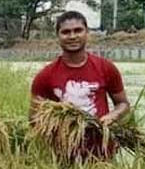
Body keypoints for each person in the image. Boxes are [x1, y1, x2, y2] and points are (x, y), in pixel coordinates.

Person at [30, 10, 130, 159]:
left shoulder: (105, 67)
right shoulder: (45, 76)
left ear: (87, 33)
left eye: (78, 30)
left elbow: (123, 104)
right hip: (64, 155)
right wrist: (57, 126)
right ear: (58, 36)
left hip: (102, 152)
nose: (72, 36)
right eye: (66, 32)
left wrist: (112, 116)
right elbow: (33, 118)